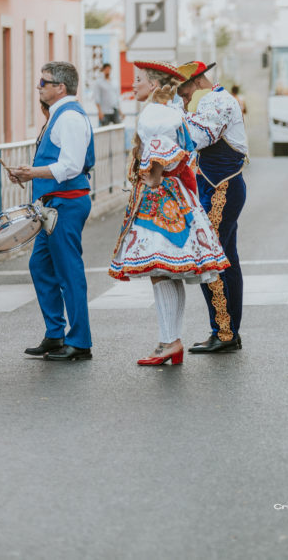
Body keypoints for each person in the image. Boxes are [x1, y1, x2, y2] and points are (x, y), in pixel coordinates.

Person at [109, 61, 230, 366]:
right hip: (178, 195)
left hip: (163, 199)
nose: (133, 84)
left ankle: (169, 342)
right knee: (167, 273)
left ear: (153, 86)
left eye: (138, 80)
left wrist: (149, 178)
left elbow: (159, 155)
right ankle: (170, 341)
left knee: (160, 272)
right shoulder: (170, 111)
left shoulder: (156, 113)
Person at [9, 61, 95, 362]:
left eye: (43, 82)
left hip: (66, 203)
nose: (39, 87)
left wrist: (31, 172)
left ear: (60, 87)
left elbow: (71, 165)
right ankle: (56, 334)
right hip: (55, 204)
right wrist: (30, 174)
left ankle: (80, 341)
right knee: (41, 266)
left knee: (69, 272)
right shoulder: (60, 115)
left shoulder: (68, 117)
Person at [175, 61, 249, 354]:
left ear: (192, 82)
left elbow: (195, 138)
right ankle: (227, 330)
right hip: (215, 186)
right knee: (225, 257)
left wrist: (176, 110)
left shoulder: (216, 101)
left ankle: (225, 331)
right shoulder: (210, 102)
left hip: (222, 188)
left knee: (212, 256)